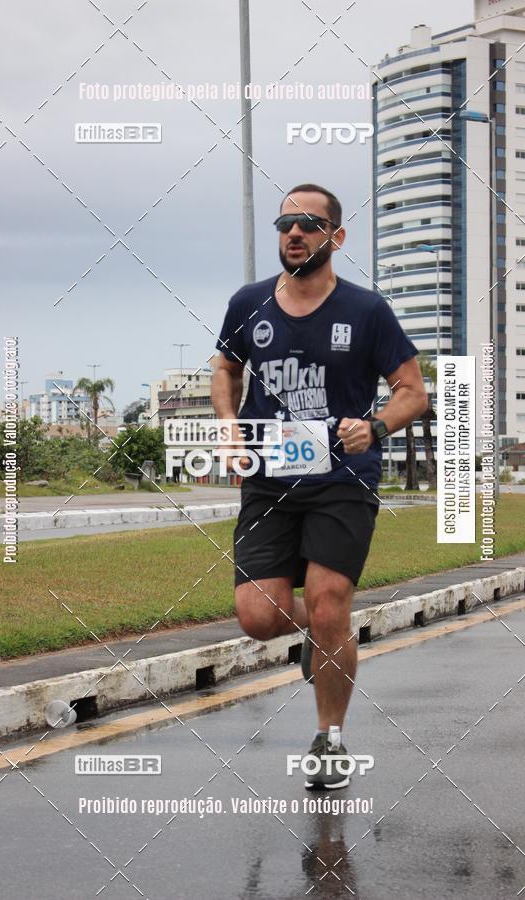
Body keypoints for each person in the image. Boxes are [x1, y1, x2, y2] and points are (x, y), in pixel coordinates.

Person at [211, 183, 428, 789]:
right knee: (257, 616)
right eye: (285, 224)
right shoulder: (248, 304)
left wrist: (377, 425)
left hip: (340, 480)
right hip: (267, 479)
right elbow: (226, 367)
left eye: (308, 224)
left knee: (332, 604)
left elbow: (413, 389)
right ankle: (320, 632)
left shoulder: (366, 310)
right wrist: (229, 428)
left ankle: (330, 739)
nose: (294, 234)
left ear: (336, 236)